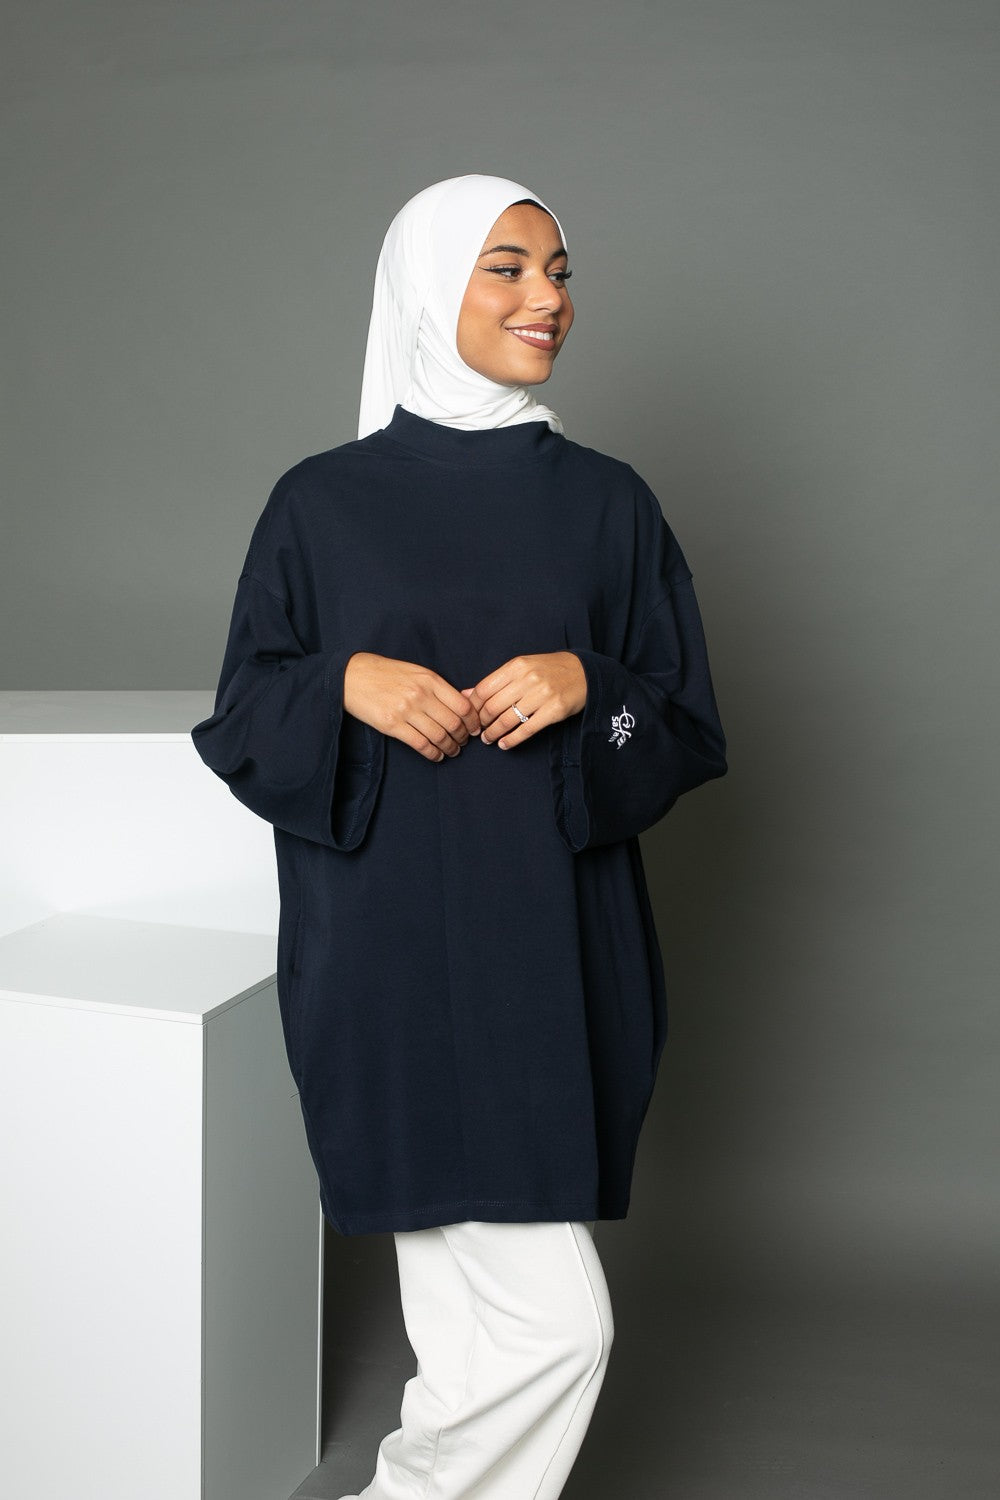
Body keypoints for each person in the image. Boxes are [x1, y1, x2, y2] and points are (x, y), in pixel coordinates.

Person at [190, 173, 727, 1500]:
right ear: (429, 288)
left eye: (559, 271)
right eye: (509, 267)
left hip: (551, 954)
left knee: (494, 1339)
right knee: (528, 1331)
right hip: (386, 955)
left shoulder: (610, 506)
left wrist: (592, 682)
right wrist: (345, 683)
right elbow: (244, 717)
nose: (550, 299)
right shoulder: (321, 505)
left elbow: (682, 723)